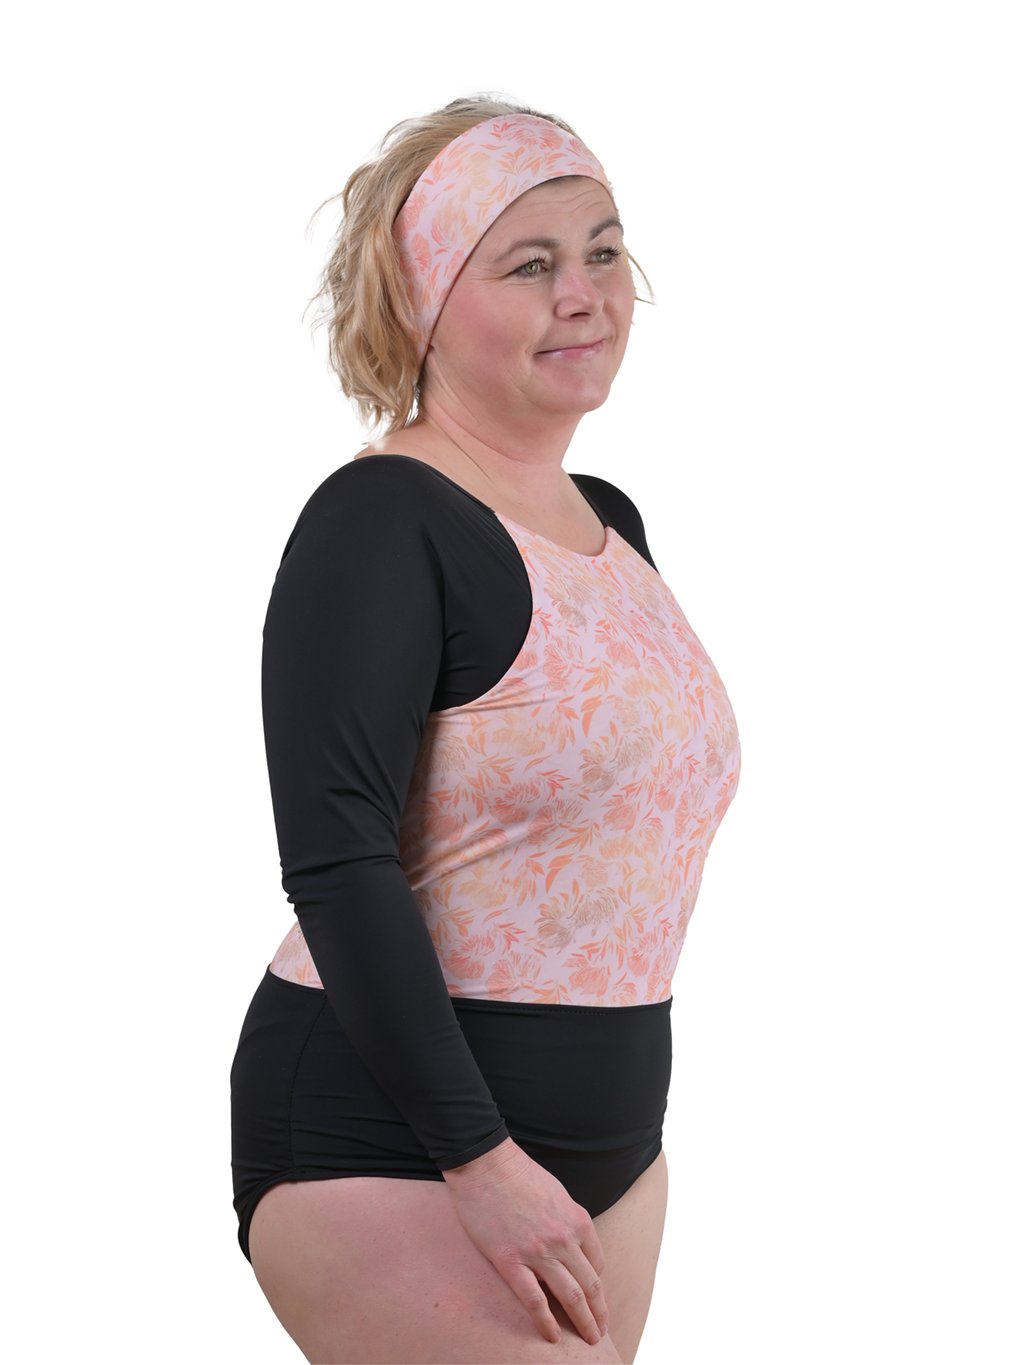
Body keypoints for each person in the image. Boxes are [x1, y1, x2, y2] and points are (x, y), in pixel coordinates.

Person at [230, 95, 741, 1365]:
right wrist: (480, 1158)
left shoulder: (611, 523)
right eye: (528, 264)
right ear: (421, 304)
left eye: (604, 252)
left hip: (614, 1142)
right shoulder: (381, 522)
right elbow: (337, 858)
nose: (585, 295)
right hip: (396, 1139)